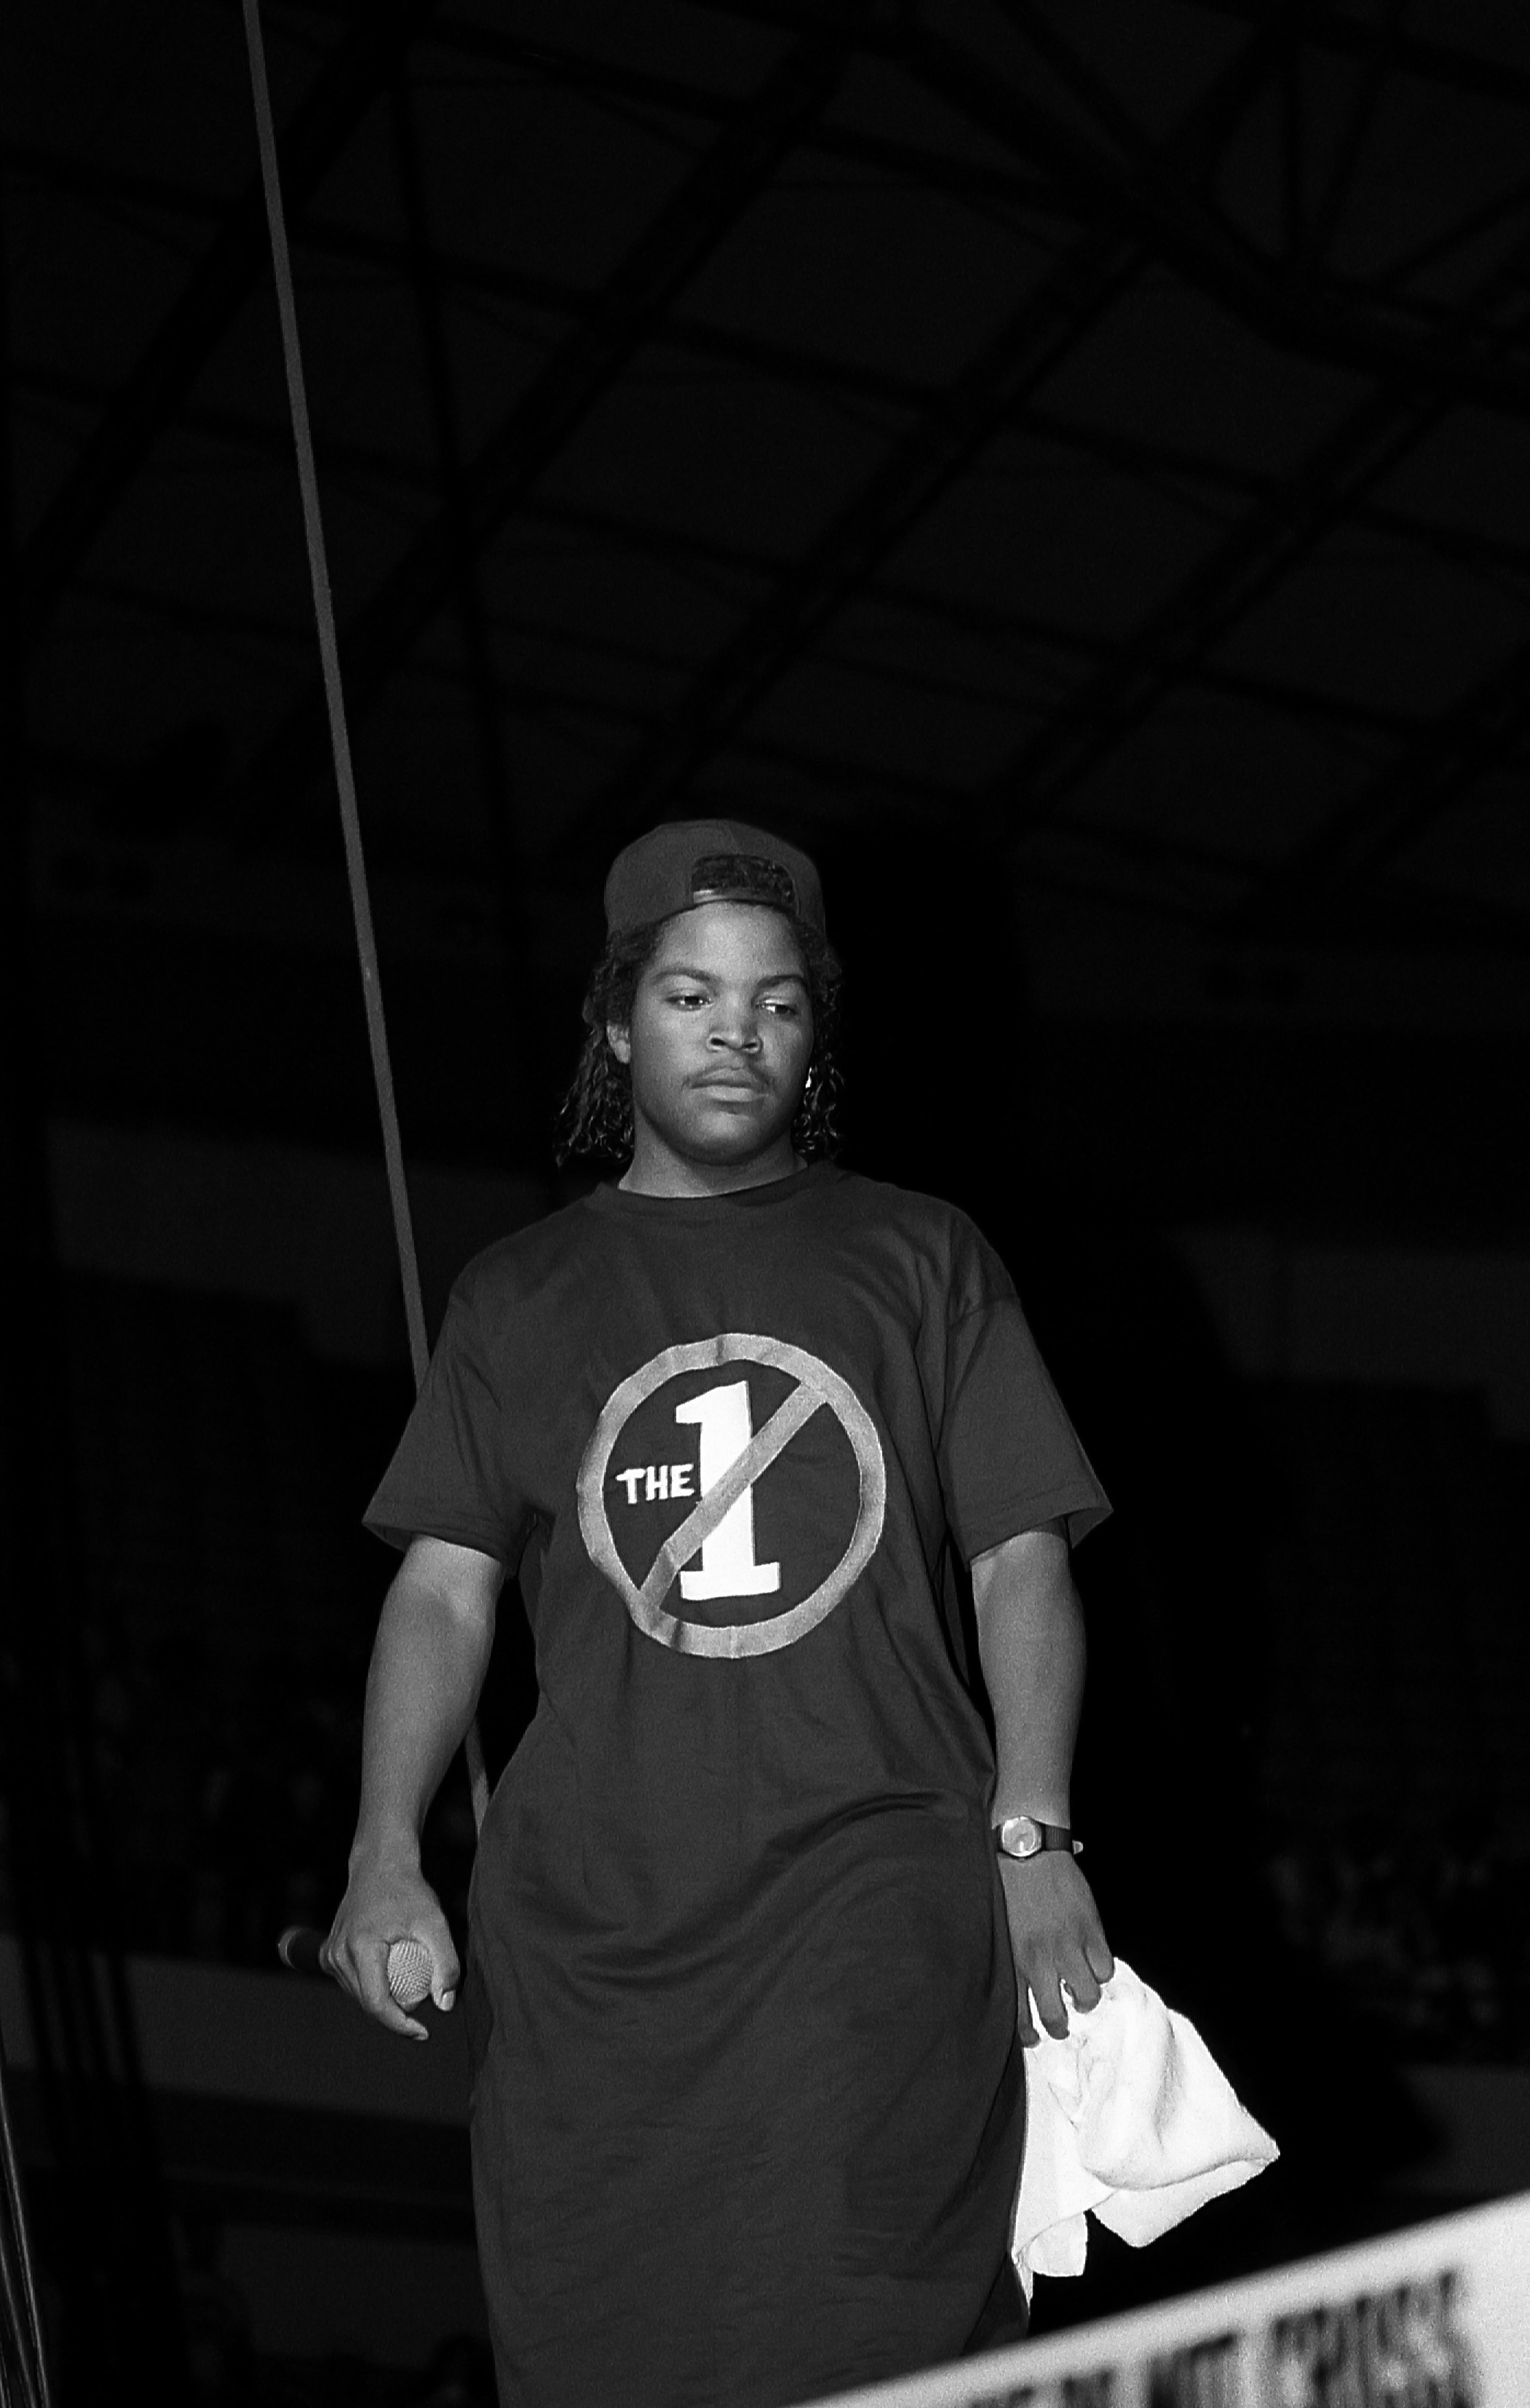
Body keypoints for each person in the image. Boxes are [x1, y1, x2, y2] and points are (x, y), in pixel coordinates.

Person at [324, 821, 1115, 2408]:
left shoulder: (920, 1255)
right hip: (590, 1945)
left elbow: (1019, 1553)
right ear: (619, 1026)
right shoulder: (518, 1295)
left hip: (868, 1898)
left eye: (775, 1002)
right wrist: (383, 1855)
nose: (733, 1034)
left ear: (816, 1036)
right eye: (690, 995)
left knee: (866, 2333)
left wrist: (1032, 1838)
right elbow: (443, 1584)